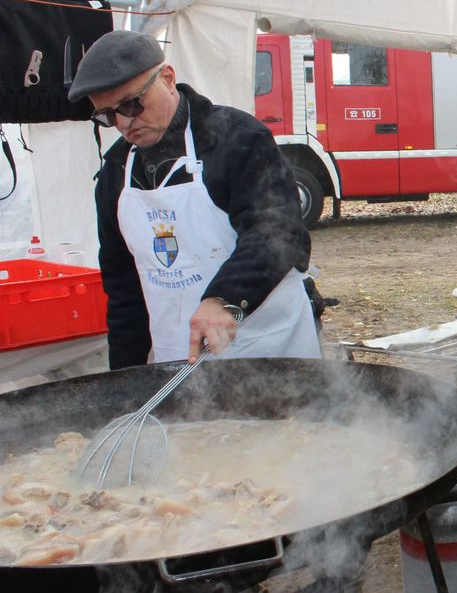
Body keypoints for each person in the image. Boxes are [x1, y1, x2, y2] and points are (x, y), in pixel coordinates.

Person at [71, 30, 322, 370]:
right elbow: (124, 292)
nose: (124, 122)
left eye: (132, 103)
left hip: (266, 347)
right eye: (108, 115)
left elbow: (278, 233)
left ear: (168, 78)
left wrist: (224, 297)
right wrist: (123, 385)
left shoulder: (239, 139)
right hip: (177, 360)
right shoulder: (116, 171)